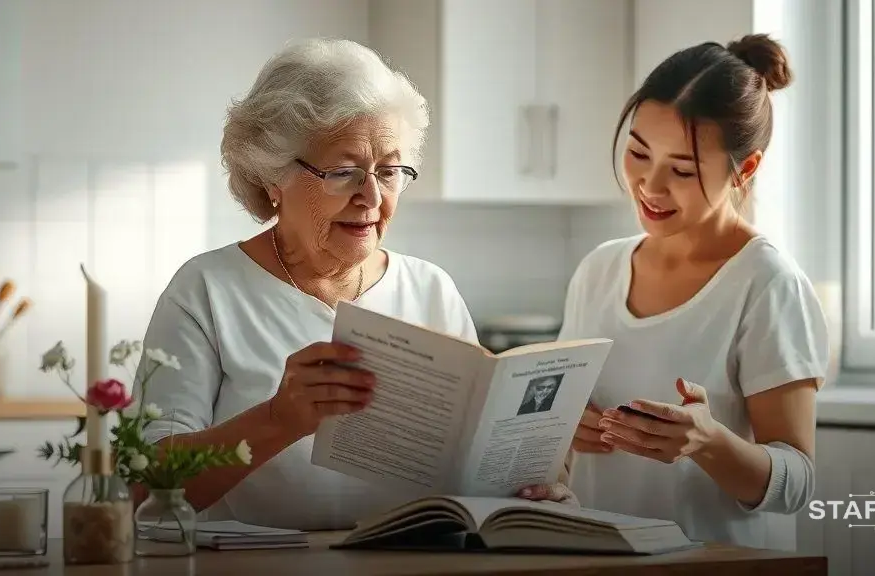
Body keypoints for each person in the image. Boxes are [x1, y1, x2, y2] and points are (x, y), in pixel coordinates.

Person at [131, 38, 570, 531]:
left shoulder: (430, 289)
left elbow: (469, 467)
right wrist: (278, 420)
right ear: (272, 177)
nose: (372, 197)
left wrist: (529, 475)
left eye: (390, 171)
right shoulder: (206, 290)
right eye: (344, 172)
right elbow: (145, 485)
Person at [543, 34, 831, 551]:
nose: (650, 186)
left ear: (745, 169)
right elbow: (561, 431)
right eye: (637, 152)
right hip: (596, 559)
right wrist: (565, 428)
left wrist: (708, 441)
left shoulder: (767, 284)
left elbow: (797, 485)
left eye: (681, 170)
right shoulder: (598, 270)